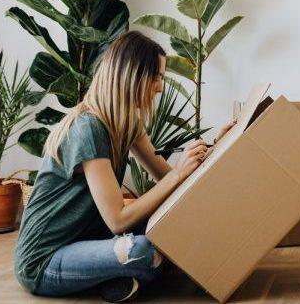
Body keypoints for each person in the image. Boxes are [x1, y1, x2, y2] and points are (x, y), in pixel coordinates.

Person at [14, 31, 235, 302]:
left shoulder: (126, 123)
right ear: (133, 78)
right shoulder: (88, 128)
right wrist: (178, 173)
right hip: (44, 261)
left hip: (87, 239)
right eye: (157, 78)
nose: (160, 87)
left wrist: (215, 148)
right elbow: (117, 220)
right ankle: (120, 272)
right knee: (143, 249)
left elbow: (171, 181)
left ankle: (116, 277)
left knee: (172, 225)